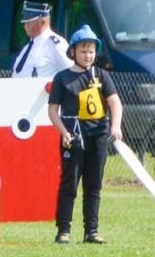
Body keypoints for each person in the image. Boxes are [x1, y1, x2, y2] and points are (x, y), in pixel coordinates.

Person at [48, 25, 123, 245]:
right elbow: (52, 111)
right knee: (69, 184)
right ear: (73, 52)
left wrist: (115, 125)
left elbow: (115, 103)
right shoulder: (62, 78)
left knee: (94, 185)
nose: (88, 55)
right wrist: (64, 132)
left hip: (98, 137)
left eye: (91, 51)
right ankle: (63, 230)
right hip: (73, 138)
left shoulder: (102, 76)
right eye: (83, 51)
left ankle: (92, 231)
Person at [11, 1, 72, 79]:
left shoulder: (55, 44)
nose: (25, 26)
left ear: (42, 22)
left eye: (29, 22)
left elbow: (71, 74)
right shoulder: (27, 47)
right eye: (25, 22)